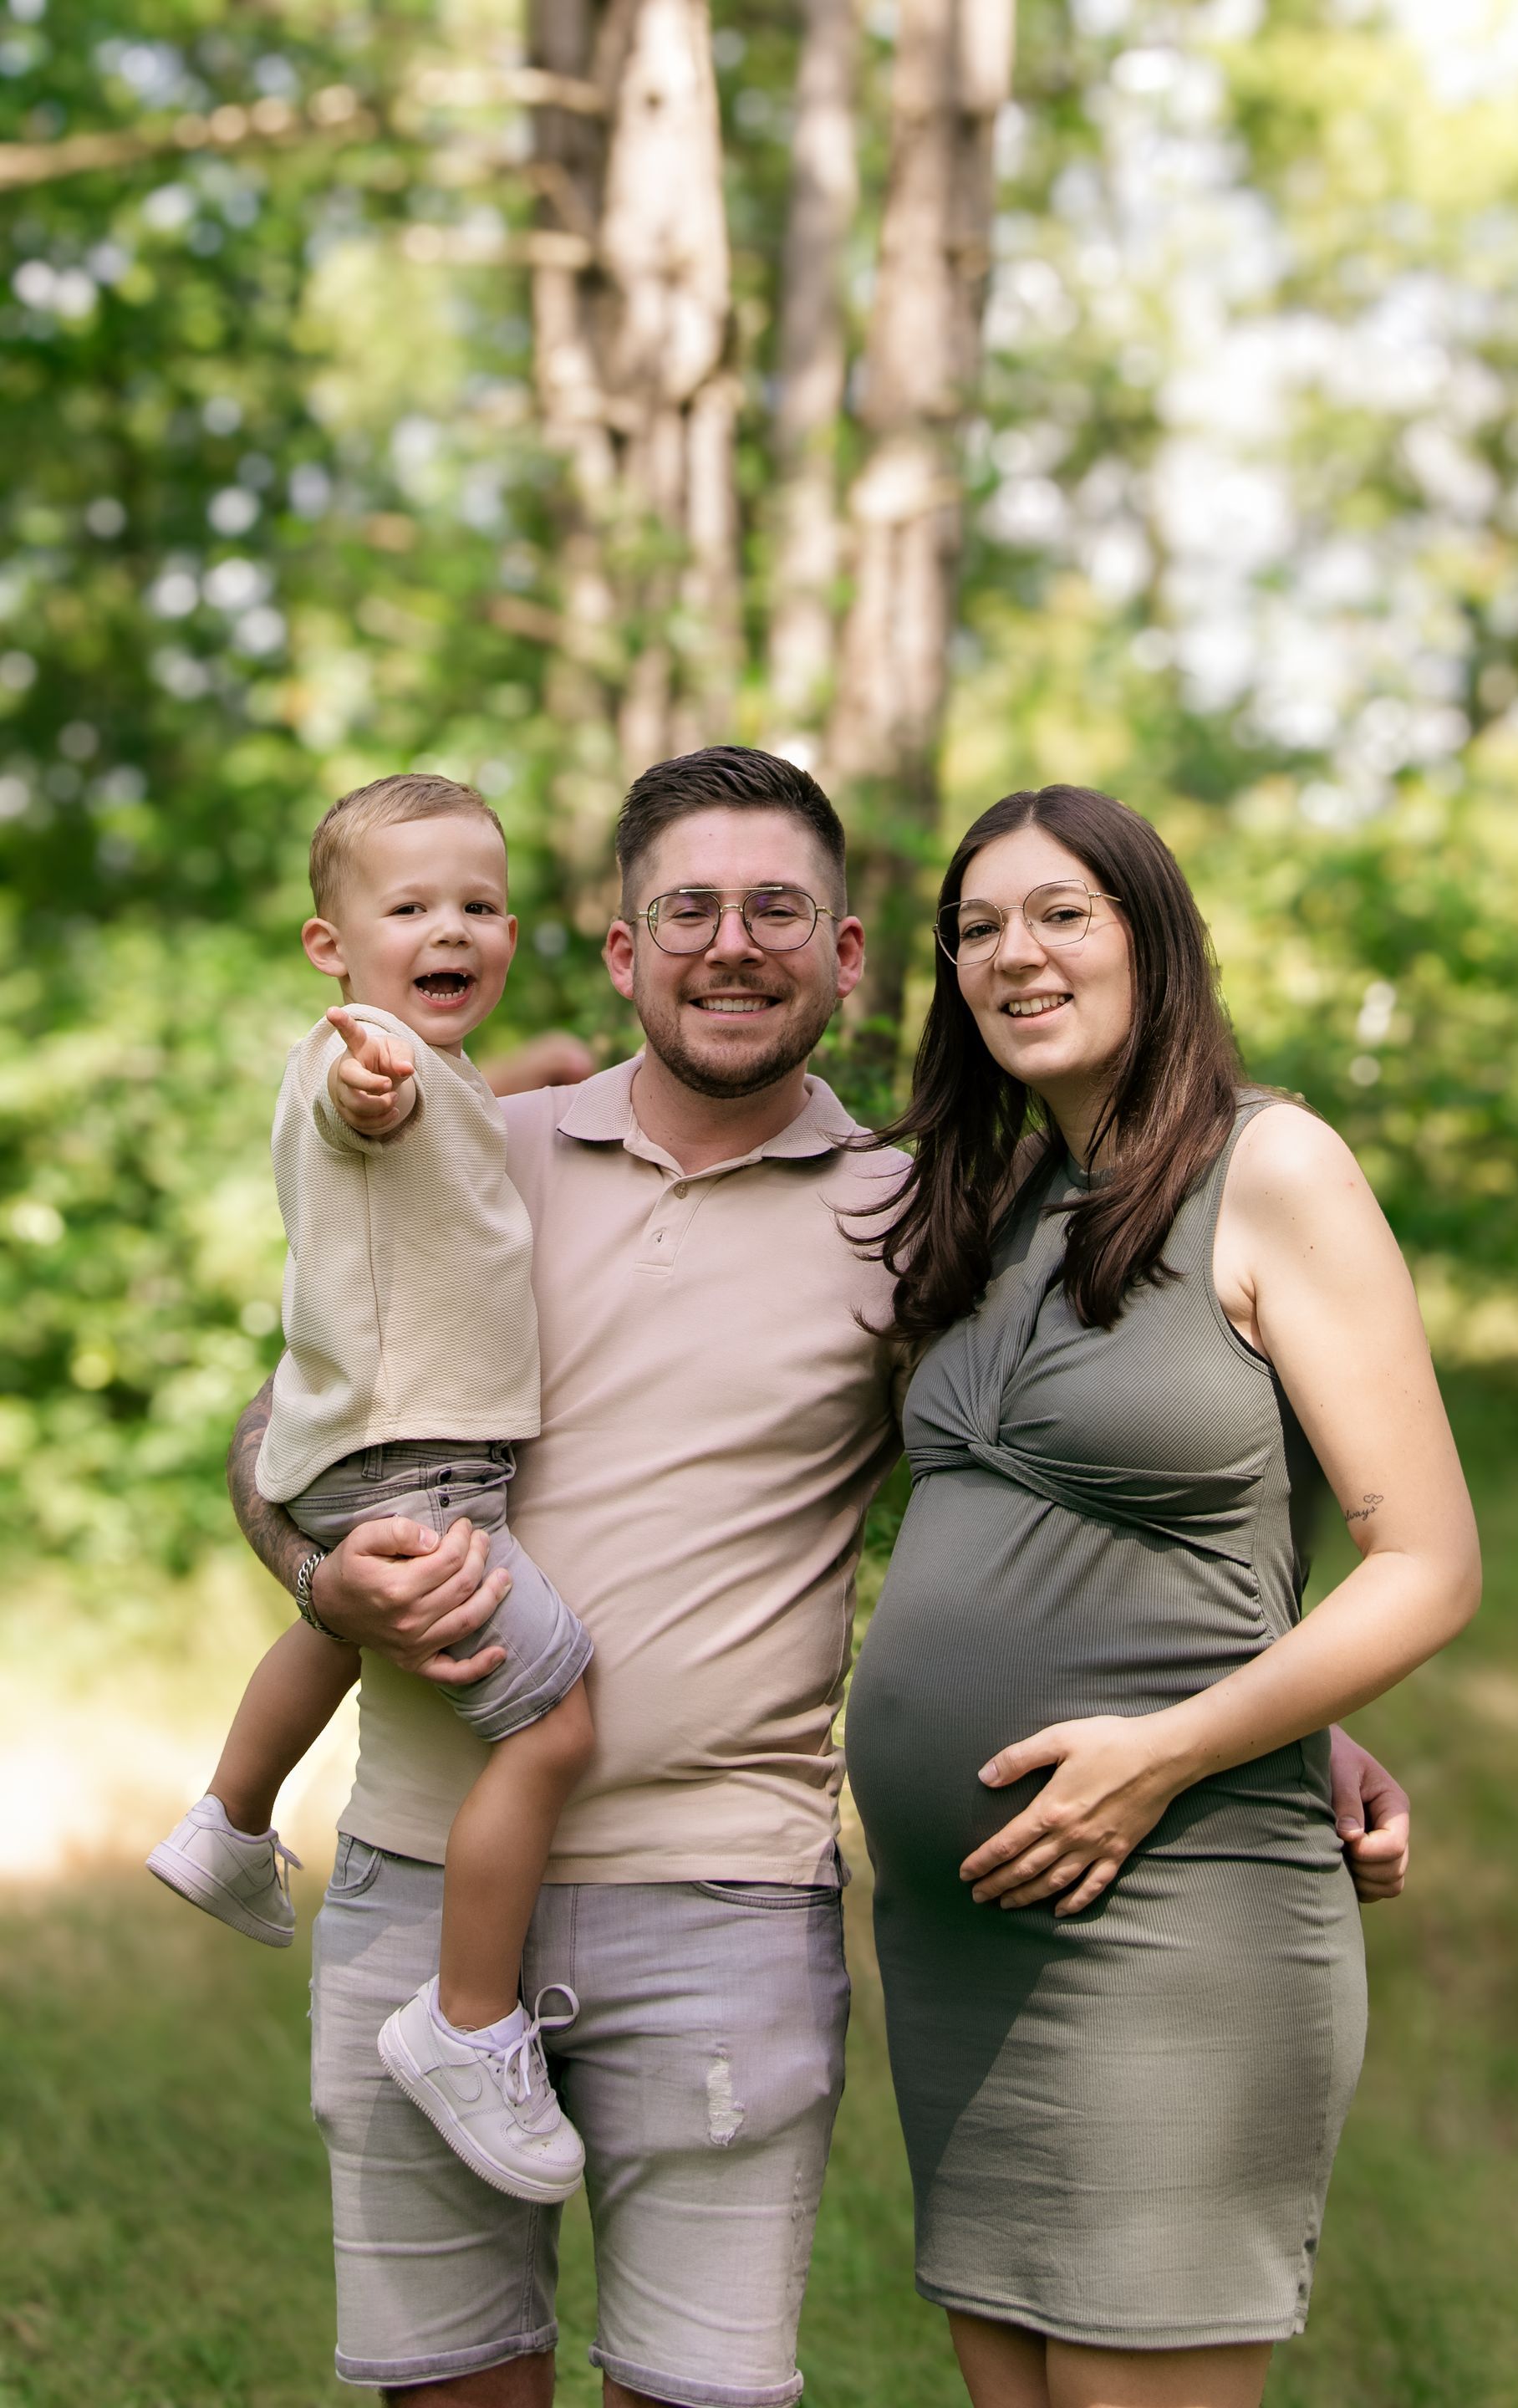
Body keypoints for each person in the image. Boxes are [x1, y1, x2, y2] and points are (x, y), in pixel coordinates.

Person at [223, 747, 1414, 2408]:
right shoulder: (464, 1145)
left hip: (725, 1901)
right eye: (687, 910)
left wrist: (1272, 1711)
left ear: (847, 959)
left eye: (779, 908)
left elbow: (1100, 1470)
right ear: (623, 951)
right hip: (420, 1880)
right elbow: (282, 1425)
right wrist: (323, 1577)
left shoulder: (924, 1217)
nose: (734, 944)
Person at [844, 783, 1481, 2408]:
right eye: (977, 927)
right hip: (959, 1938)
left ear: (1155, 940)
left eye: (1062, 913)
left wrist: (1176, 1746)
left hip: (1178, 1910)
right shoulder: (991, 1211)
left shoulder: (1276, 1168)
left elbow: (1428, 1565)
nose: (1014, 953)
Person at [149, 773, 594, 2206]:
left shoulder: (444, 1073)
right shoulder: (365, 1062)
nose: (450, 925)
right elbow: (370, 1106)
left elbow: (448, 1127)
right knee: (557, 1728)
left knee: (334, 1628)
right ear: (329, 949)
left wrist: (529, 1073)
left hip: (355, 1457)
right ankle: (466, 2019)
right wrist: (374, 1080)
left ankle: (226, 1820)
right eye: (410, 908)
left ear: (513, 929)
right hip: (428, 1465)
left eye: (477, 904)